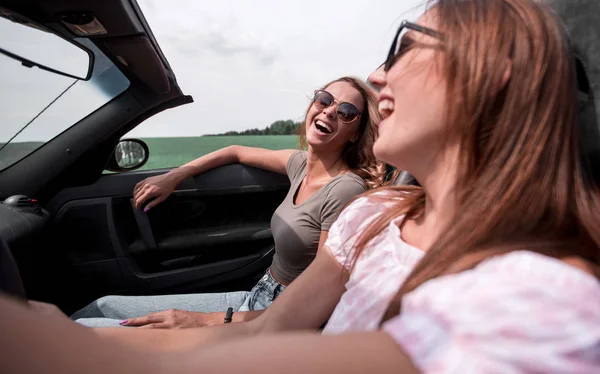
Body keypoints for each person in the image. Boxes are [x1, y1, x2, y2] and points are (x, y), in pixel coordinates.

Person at [2, 0, 599, 372]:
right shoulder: (378, 214)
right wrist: (179, 172)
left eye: (405, 46)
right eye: (324, 99)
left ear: (491, 77)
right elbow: (275, 330)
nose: (376, 74)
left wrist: (48, 345)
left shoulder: (541, 299)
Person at [72, 76, 387, 328]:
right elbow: (235, 150)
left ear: (354, 135)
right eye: (325, 100)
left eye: (346, 113)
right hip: (258, 297)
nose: (330, 111)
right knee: (98, 306)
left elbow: (317, 305)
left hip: (277, 318)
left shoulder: (344, 190)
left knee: (87, 328)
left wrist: (208, 321)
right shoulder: (300, 165)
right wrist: (175, 176)